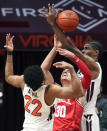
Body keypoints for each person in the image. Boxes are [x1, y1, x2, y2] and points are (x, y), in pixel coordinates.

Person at [41, 3, 103, 131]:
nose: (84, 51)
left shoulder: (94, 67)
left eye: (87, 49)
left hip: (88, 115)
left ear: (96, 52)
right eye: (83, 49)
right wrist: (58, 33)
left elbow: (71, 48)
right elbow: (68, 46)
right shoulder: (81, 68)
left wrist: (54, 24)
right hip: (76, 113)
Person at [4, 34, 84, 131]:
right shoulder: (49, 90)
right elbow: (78, 93)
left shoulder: (24, 82)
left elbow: (8, 77)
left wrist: (9, 53)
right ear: (43, 81)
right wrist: (71, 69)